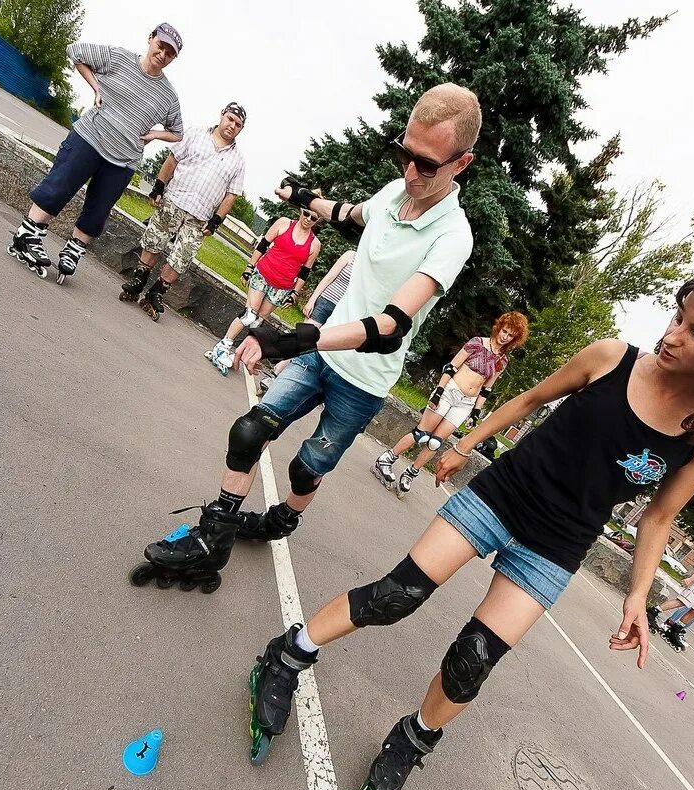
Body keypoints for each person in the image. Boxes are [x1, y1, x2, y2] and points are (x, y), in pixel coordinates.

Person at [244, 264, 694, 790]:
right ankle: (288, 654)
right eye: (678, 318)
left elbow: (658, 517)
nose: (672, 336)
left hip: (559, 543)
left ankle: (413, 740)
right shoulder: (612, 358)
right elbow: (527, 400)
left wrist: (638, 594)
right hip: (504, 494)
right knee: (396, 596)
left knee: (474, 658)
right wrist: (463, 444)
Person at [128, 83, 481, 595]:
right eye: (403, 154)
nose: (409, 172)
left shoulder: (454, 237)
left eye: (425, 165)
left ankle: (279, 523)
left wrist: (298, 338)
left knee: (306, 467)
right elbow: (348, 214)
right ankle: (211, 542)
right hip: (320, 350)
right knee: (250, 430)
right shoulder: (396, 191)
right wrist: (302, 197)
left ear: (461, 163)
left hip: (364, 376)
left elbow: (390, 327)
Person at [8, 25, 184, 283]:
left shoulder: (168, 96)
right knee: (59, 186)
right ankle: (28, 234)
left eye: (170, 53)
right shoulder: (120, 57)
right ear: (150, 39)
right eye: (161, 45)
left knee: (97, 209)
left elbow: (177, 132)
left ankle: (73, 250)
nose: (163, 54)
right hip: (90, 138)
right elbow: (76, 52)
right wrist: (96, 88)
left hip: (124, 160)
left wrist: (155, 134)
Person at [373, 312, 528, 496]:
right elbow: (451, 367)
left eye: (510, 335)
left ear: (515, 339)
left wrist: (476, 413)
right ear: (499, 327)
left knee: (435, 442)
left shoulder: (502, 360)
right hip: (449, 391)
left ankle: (411, 473)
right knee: (422, 434)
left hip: (466, 403)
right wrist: (438, 391)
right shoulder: (477, 343)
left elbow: (486, 388)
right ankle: (386, 459)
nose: (505, 337)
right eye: (504, 331)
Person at [121, 102, 248, 321]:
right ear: (222, 115)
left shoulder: (238, 161)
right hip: (174, 199)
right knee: (155, 239)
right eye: (230, 119)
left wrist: (217, 219)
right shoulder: (195, 134)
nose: (232, 125)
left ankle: (157, 292)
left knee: (182, 256)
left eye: (238, 124)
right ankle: (139, 277)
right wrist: (159, 186)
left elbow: (231, 195)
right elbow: (173, 159)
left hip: (200, 216)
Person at [205, 209, 323, 375]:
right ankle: (222, 347)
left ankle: (236, 354)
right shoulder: (283, 223)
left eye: (314, 217)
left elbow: (305, 272)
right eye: (306, 213)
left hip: (282, 287)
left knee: (256, 323)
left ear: (318, 220)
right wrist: (249, 267)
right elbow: (263, 244)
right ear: (301, 211)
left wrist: (294, 293)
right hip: (263, 274)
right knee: (249, 315)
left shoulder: (314, 244)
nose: (308, 218)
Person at [266, 251, 356, 385]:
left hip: (342, 313)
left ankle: (284, 376)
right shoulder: (350, 255)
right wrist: (312, 300)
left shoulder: (371, 270)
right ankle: (275, 373)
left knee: (315, 346)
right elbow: (328, 278)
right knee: (303, 338)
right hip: (326, 302)